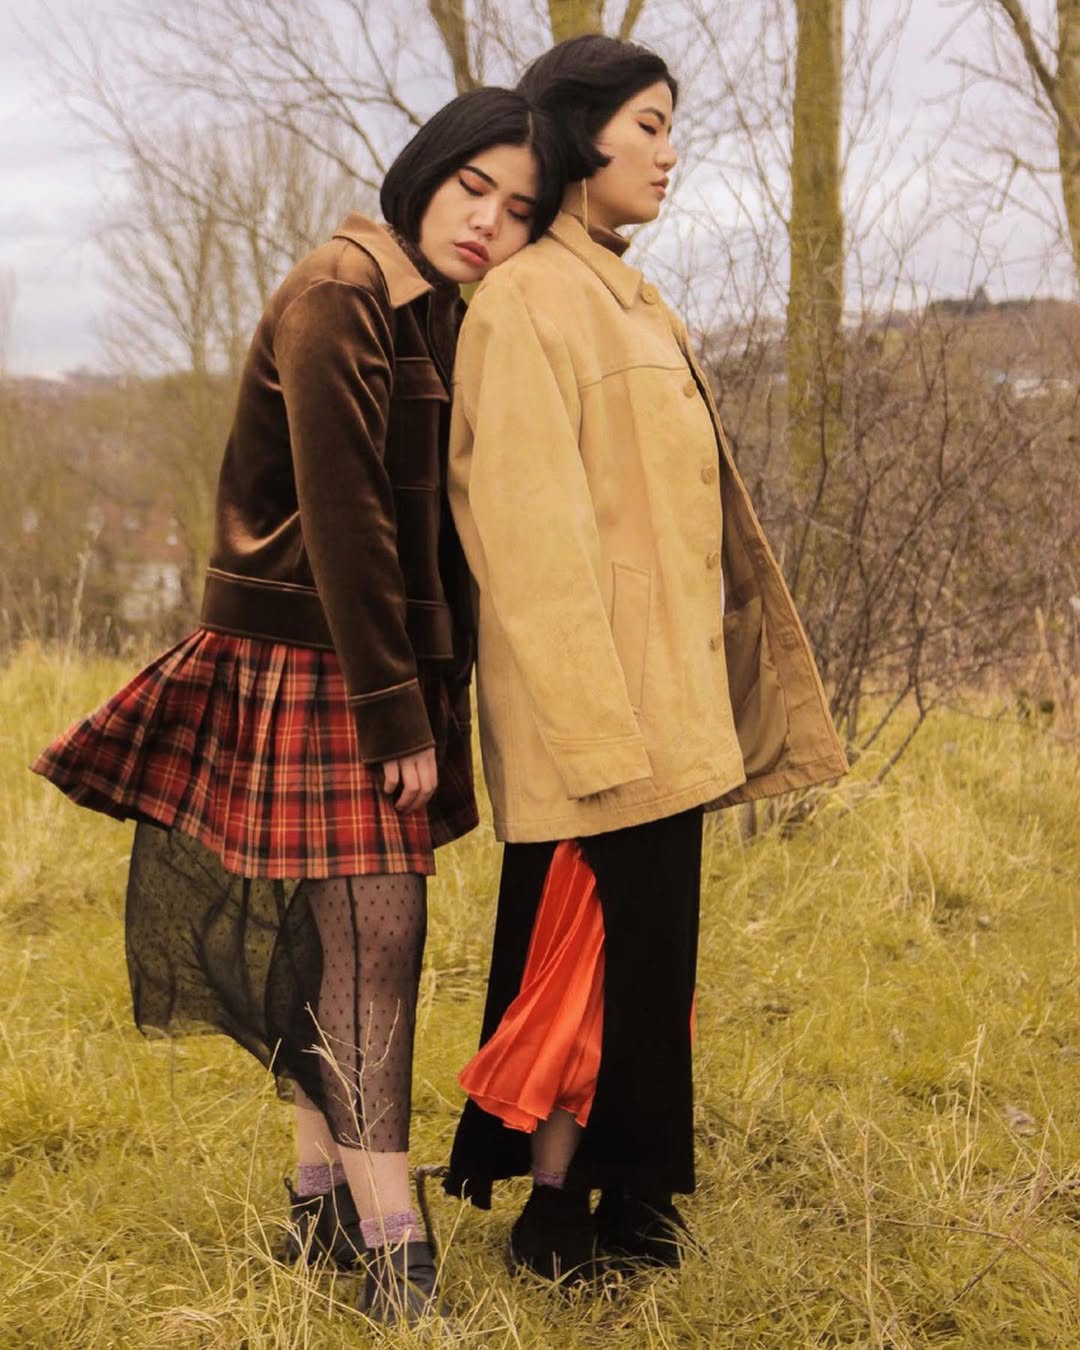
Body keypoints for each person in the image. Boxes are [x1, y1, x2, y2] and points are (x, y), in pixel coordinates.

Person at [31, 87, 565, 1326]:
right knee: (380, 945)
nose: (488, 222)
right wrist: (396, 714)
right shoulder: (342, 287)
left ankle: (320, 1202)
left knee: (345, 946)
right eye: (473, 188)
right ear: (424, 171)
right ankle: (396, 1255)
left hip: (370, 663)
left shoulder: (431, 308)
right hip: (325, 662)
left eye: (518, 210)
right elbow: (345, 513)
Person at [441, 36, 849, 1283]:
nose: (671, 153)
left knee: (646, 966)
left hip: (669, 702)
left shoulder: (628, 294)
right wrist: (594, 731)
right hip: (599, 714)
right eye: (650, 125)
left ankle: (632, 1204)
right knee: (578, 964)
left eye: (673, 128)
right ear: (582, 132)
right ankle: (553, 1217)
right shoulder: (525, 303)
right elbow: (528, 541)